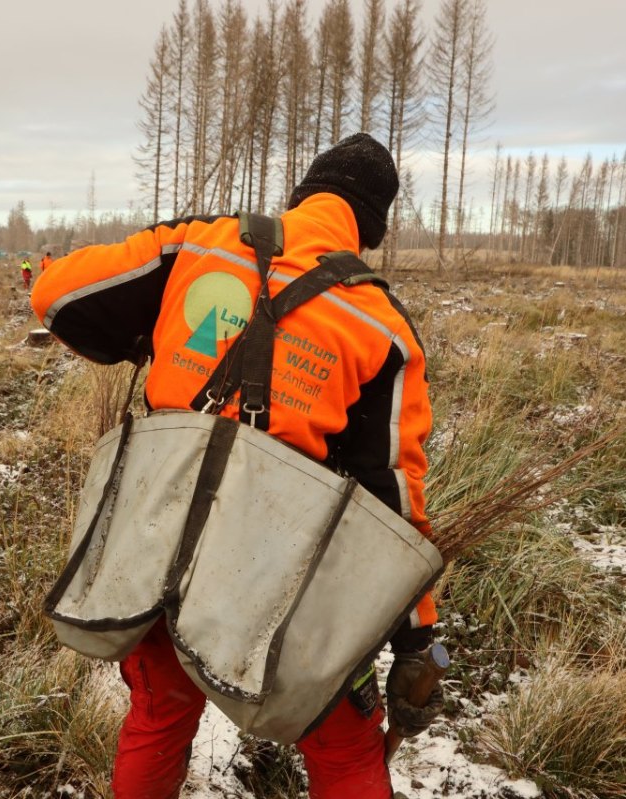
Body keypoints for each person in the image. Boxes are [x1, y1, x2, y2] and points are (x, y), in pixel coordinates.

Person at [31, 133, 442, 798]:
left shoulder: (200, 242)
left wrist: (152, 340)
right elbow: (394, 501)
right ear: (372, 231)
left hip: (158, 543)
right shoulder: (381, 324)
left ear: (302, 193)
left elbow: (56, 296)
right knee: (343, 747)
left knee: (160, 713)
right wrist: (416, 635)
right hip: (284, 574)